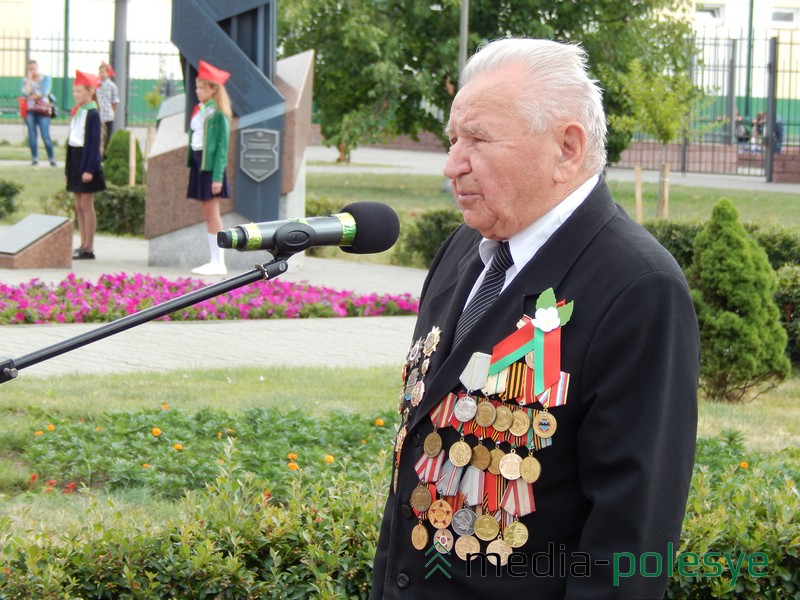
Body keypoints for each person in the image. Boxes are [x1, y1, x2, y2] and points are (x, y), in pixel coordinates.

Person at [371, 38, 699, 599]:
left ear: (567, 149)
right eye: (454, 139)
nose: (452, 164)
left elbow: (632, 540)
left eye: (478, 138)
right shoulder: (465, 249)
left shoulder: (637, 287)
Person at [186, 59, 232, 276]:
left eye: (201, 87)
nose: (197, 91)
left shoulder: (219, 115)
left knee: (213, 214)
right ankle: (214, 259)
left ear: (213, 89)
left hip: (210, 169)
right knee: (208, 214)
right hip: (199, 163)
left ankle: (218, 261)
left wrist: (217, 177)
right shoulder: (201, 110)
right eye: (196, 87)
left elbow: (222, 149)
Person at [67, 70, 106, 260]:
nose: (76, 95)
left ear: (90, 92)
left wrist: (89, 169)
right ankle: (82, 243)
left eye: (79, 91)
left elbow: (93, 144)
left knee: (86, 204)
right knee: (78, 205)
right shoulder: (77, 112)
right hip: (75, 161)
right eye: (74, 91)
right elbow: (70, 142)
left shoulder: (92, 114)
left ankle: (89, 247)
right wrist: (68, 169)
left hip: (87, 163)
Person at [21, 59, 57, 167]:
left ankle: (51, 159)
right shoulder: (25, 80)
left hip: (43, 110)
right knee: (32, 134)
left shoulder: (45, 78)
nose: (32, 71)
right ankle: (35, 159)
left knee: (45, 135)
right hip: (30, 110)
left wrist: (31, 97)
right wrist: (28, 80)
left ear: (38, 68)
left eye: (34, 69)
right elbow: (24, 93)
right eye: (29, 70)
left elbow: (44, 92)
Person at [97, 61, 120, 155]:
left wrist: (112, 111)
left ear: (108, 73)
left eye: (103, 72)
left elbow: (115, 101)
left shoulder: (112, 86)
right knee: (98, 136)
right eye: (100, 72)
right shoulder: (96, 84)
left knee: (106, 136)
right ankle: (98, 153)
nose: (101, 74)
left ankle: (105, 154)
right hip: (98, 114)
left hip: (107, 115)